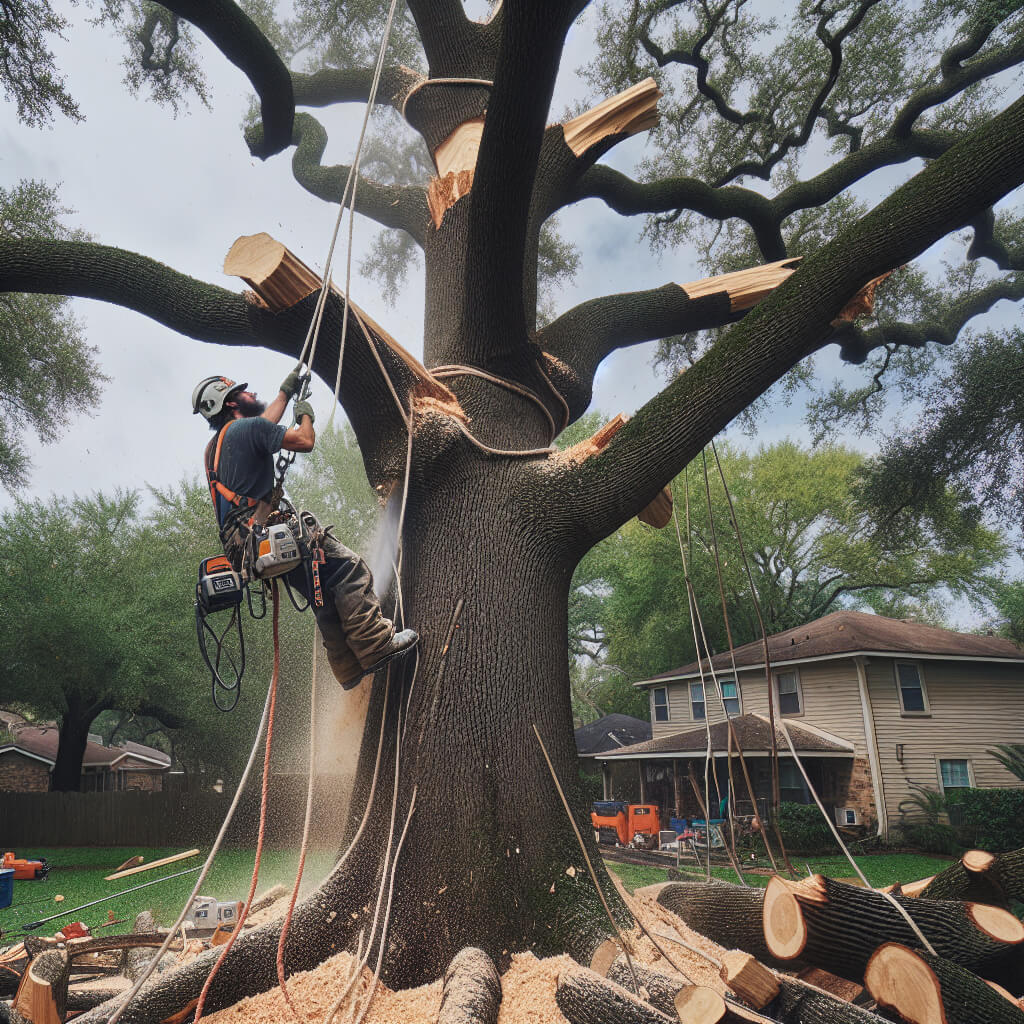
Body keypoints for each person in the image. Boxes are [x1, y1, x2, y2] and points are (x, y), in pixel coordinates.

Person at [191, 371, 418, 689]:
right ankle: (374, 643)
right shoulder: (248, 429)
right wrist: (305, 415)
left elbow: (261, 427)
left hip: (246, 548)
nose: (251, 392)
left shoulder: (216, 447)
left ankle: (346, 666)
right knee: (348, 571)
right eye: (243, 392)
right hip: (265, 534)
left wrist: (285, 393)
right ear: (230, 402)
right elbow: (304, 441)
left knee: (321, 593)